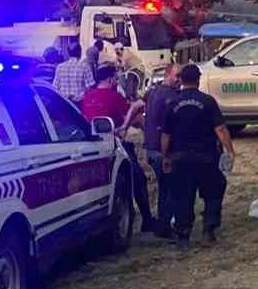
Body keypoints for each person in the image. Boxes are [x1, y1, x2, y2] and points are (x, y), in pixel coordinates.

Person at [162, 64, 234, 249]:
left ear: (181, 80)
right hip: (207, 157)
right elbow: (220, 129)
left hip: (180, 158)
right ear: (198, 79)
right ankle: (208, 231)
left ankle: (183, 235)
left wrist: (166, 156)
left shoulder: (173, 103)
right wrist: (230, 150)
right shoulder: (208, 101)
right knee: (213, 192)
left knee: (182, 197)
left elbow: (165, 135)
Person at [80, 66, 154, 233]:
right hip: (114, 145)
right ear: (109, 79)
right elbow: (130, 118)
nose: (116, 81)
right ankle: (147, 220)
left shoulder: (87, 96)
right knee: (138, 179)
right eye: (115, 78)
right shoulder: (114, 96)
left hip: (90, 146)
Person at [141, 63, 182, 237]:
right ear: (168, 75)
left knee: (164, 187)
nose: (179, 80)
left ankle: (162, 222)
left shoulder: (152, 92)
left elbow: (138, 107)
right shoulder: (171, 96)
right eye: (177, 76)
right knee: (171, 187)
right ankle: (165, 225)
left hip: (151, 146)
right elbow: (170, 128)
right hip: (162, 149)